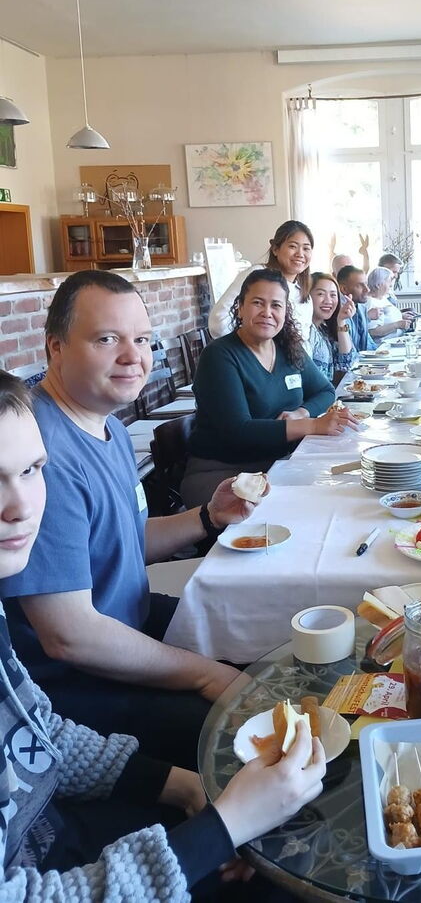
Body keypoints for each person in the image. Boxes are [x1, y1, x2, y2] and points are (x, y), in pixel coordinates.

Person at [0, 369, 326, 901]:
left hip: (63, 825)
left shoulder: (103, 435)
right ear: (57, 349)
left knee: (287, 831)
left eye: (32, 470)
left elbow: (40, 737)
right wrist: (219, 831)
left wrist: (183, 788)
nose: (21, 506)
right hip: (64, 855)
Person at [0, 271, 256, 770]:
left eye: (141, 339)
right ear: (55, 347)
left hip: (128, 623)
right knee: (241, 726)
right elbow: (69, 637)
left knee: (257, 638)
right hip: (73, 686)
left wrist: (207, 517)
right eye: (106, 339)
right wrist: (205, 675)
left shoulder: (108, 427)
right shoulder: (38, 453)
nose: (132, 356)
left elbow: (123, 541)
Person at [184, 269, 351, 506]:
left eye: (276, 305)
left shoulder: (288, 349)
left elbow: (325, 391)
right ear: (240, 307)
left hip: (279, 463)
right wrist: (311, 424)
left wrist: (301, 412)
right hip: (226, 475)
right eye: (257, 303)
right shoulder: (219, 356)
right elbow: (238, 431)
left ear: (285, 312)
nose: (267, 313)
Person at [208, 220, 315, 348]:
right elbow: (219, 321)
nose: (300, 254)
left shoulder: (304, 291)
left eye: (306, 248)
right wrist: (251, 349)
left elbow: (304, 342)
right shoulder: (257, 275)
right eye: (293, 246)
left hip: (291, 363)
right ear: (275, 249)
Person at [308, 272, 357, 382]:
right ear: (307, 296)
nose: (328, 301)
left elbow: (347, 363)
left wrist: (341, 320)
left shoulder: (324, 329)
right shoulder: (305, 332)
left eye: (333, 295)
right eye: (321, 294)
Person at [337, 264, 377, 352]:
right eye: (360, 285)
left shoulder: (361, 308)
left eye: (366, 284)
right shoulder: (338, 312)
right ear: (344, 289)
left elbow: (369, 344)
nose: (367, 289)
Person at [365, 267, 412, 339]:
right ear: (378, 284)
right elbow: (373, 331)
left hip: (398, 340)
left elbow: (387, 317)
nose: (391, 285)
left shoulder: (382, 297)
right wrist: (397, 325)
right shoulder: (371, 302)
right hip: (384, 346)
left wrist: (401, 316)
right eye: (389, 281)